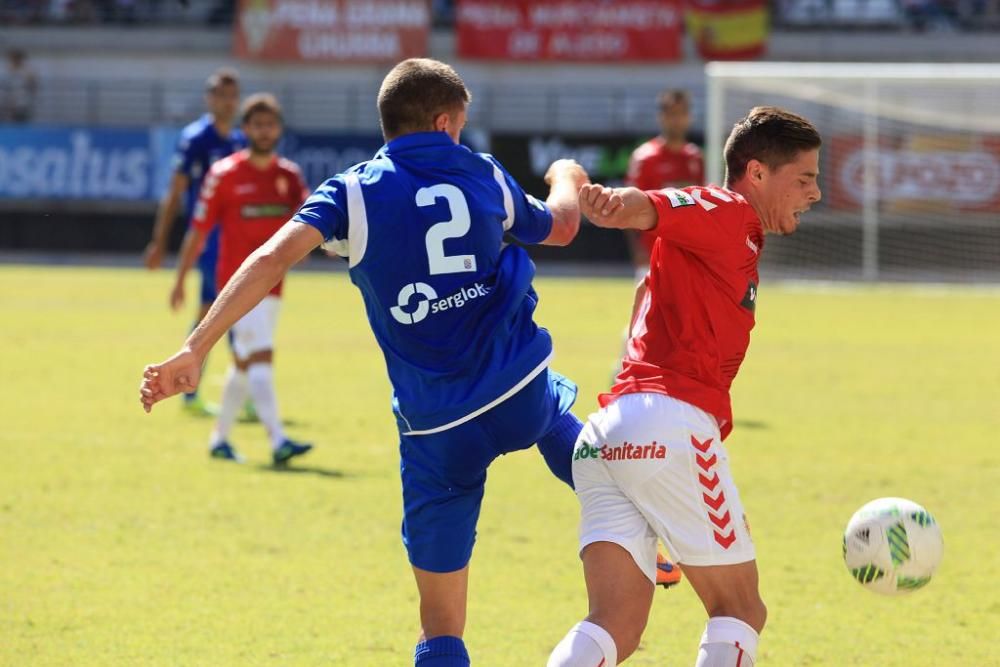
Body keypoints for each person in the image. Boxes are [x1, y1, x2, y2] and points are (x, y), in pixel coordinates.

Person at [140, 57, 590, 666]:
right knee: (558, 413)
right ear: (443, 122)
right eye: (458, 123)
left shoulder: (350, 191)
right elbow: (559, 228)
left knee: (441, 627)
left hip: (436, 426)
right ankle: (633, 511)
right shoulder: (481, 169)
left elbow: (273, 256)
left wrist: (197, 345)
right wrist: (567, 175)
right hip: (518, 388)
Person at [548, 106, 822, 667]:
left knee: (613, 624)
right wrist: (615, 205)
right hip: (668, 424)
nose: (815, 193)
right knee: (740, 609)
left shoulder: (730, 240)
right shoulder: (725, 209)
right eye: (806, 178)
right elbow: (653, 204)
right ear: (757, 173)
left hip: (606, 436)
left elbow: (648, 282)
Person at [169, 92, 313, 466]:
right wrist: (181, 279)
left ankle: (219, 439)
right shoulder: (224, 175)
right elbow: (198, 230)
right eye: (257, 125)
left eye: (271, 124)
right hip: (236, 285)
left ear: (279, 129)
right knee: (261, 357)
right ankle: (278, 440)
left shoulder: (289, 176)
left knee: (243, 363)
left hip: (276, 285)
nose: (265, 131)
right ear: (245, 129)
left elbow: (313, 220)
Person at [621, 89, 705, 590]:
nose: (676, 117)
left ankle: (666, 388)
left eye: (682, 109)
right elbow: (636, 211)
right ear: (662, 115)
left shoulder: (693, 158)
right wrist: (643, 256)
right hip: (653, 260)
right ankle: (633, 384)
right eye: (670, 110)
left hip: (685, 260)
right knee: (642, 329)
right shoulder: (646, 158)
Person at [143, 67, 245, 417]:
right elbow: (175, 193)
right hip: (211, 238)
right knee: (210, 311)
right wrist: (159, 242)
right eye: (220, 95)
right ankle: (189, 387)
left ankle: (243, 389)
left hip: (238, 236)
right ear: (209, 98)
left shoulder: (241, 139)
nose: (227, 102)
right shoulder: (196, 138)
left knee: (242, 308)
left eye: (232, 95)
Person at [1, 49, 37, 123]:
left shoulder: (27, 71)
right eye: (12, 59)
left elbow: (32, 86)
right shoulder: (6, 70)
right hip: (7, 101)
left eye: (16, 58)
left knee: (20, 120)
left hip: (21, 102)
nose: (14, 60)